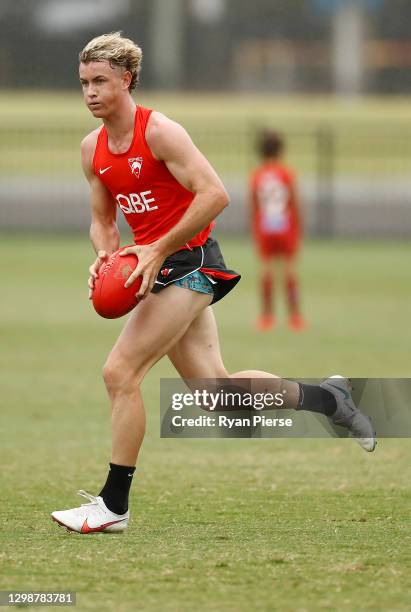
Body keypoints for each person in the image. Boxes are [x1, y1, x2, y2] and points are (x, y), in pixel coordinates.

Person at [51, 32, 375, 534]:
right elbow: (103, 219)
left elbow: (215, 195)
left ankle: (113, 505)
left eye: (101, 81)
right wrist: (104, 254)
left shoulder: (159, 132)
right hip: (155, 267)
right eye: (83, 83)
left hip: (191, 261)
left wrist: (158, 247)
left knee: (120, 373)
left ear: (127, 80)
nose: (90, 92)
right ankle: (329, 398)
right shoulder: (91, 148)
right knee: (216, 393)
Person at [249, 130, 307, 331]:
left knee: (266, 270)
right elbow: (294, 202)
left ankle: (266, 317)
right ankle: (295, 317)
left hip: (265, 226)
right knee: (289, 271)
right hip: (285, 225)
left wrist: (255, 229)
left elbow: (254, 205)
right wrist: (299, 229)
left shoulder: (257, 175)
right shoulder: (287, 173)